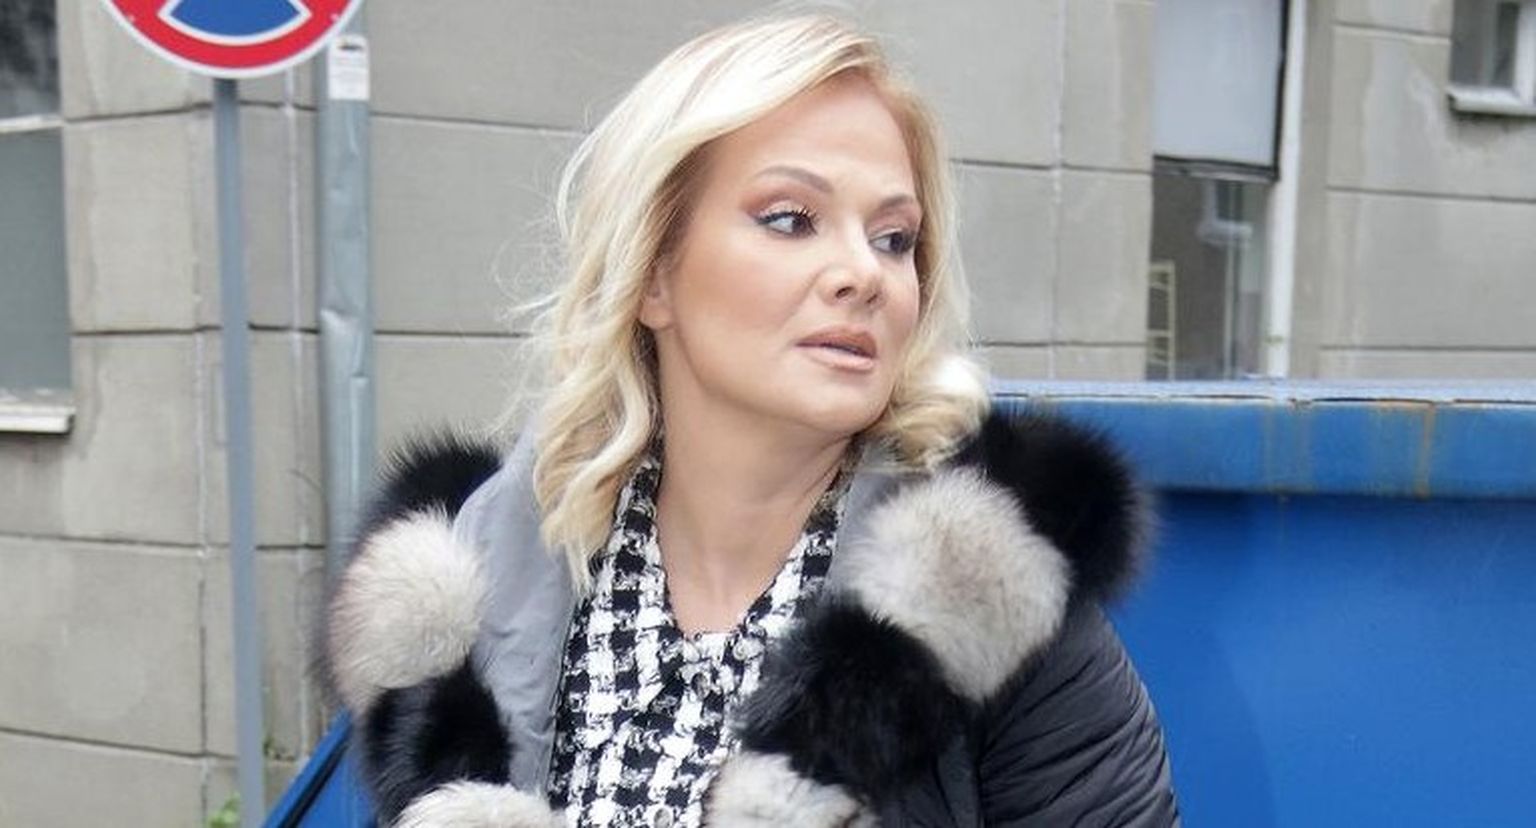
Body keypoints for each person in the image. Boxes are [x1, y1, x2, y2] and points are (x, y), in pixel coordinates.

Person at [323, 14, 1179, 827]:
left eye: (893, 238)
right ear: (653, 274)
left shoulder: (985, 610)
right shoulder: (470, 611)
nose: (863, 274)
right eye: (791, 220)